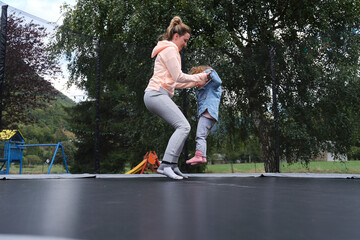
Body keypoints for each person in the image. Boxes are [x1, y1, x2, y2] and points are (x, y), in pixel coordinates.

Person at [144, 16, 211, 180]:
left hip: (158, 93)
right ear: (176, 36)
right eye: (185, 40)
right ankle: (166, 164)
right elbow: (179, 76)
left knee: (182, 127)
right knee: (184, 126)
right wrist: (202, 76)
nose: (185, 44)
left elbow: (175, 82)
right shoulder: (170, 50)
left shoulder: (168, 50)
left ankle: (173, 165)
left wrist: (196, 83)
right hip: (155, 93)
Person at [186, 66, 222, 166]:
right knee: (202, 137)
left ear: (206, 78)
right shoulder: (199, 91)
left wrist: (207, 72)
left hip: (208, 113)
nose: (196, 83)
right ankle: (202, 157)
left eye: (198, 80)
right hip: (208, 115)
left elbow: (218, 80)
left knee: (200, 136)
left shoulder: (213, 85)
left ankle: (198, 155)